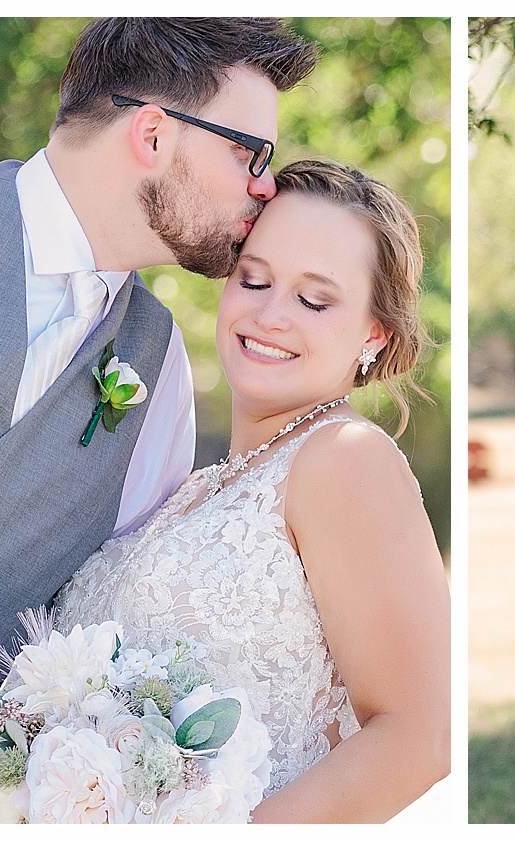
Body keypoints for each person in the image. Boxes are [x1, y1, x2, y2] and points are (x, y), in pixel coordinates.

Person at [0, 18, 316, 821]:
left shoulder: (158, 367)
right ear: (155, 134)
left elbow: (91, 621)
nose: (265, 185)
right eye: (249, 154)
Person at [50, 159, 450, 821]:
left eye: (314, 299)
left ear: (374, 334)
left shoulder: (344, 459)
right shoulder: (190, 488)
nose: (269, 314)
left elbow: (418, 735)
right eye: (254, 278)